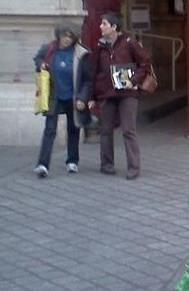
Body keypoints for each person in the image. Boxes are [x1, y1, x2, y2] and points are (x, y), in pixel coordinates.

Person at [89, 11, 151, 180]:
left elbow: (144, 63)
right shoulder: (100, 47)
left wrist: (133, 80)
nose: (100, 26)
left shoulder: (129, 43)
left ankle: (133, 167)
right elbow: (94, 72)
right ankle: (107, 164)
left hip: (127, 93)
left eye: (104, 24)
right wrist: (91, 97)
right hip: (106, 93)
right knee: (105, 130)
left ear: (114, 27)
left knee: (128, 130)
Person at [34, 26, 92, 177]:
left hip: (73, 97)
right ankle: (42, 164)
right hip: (54, 96)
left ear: (74, 38)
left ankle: (72, 161)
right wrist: (40, 64)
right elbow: (38, 58)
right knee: (49, 130)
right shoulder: (49, 49)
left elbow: (87, 79)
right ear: (58, 36)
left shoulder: (80, 53)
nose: (66, 39)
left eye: (70, 37)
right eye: (64, 36)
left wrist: (82, 98)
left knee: (73, 129)